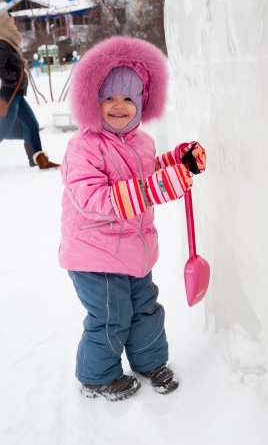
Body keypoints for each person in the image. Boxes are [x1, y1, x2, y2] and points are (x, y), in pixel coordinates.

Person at [59, 36, 207, 401]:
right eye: (109, 97)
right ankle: (97, 376)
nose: (119, 106)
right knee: (112, 316)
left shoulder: (141, 142)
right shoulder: (83, 147)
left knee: (145, 308)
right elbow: (93, 197)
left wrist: (176, 163)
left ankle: (149, 361)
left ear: (143, 102)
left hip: (135, 251)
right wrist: (156, 187)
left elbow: (146, 172)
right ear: (92, 101)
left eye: (129, 97)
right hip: (94, 255)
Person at [0, 11, 59, 169]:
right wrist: (16, 74)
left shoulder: (10, 43)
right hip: (8, 95)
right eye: (12, 23)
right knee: (3, 132)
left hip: (17, 95)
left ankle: (39, 160)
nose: (14, 26)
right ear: (5, 24)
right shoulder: (3, 44)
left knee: (31, 125)